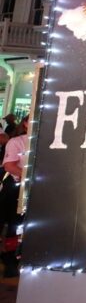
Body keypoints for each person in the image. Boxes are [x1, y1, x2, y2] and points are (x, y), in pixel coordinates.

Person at [0, 115, 27, 278]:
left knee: (20, 225)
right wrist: (28, 176)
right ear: (24, 124)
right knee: (12, 223)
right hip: (15, 188)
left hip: (30, 188)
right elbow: (9, 165)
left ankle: (15, 257)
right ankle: (9, 259)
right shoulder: (17, 142)